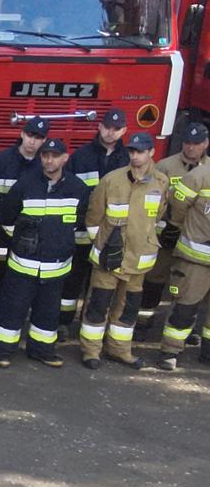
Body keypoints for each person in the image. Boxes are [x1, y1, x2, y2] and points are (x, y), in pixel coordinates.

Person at [0, 137, 88, 368]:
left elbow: (81, 222)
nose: (49, 160)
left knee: (47, 315)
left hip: (56, 266)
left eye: (55, 156)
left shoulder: (78, 189)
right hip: (23, 264)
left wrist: (60, 241)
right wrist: (20, 238)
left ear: (65, 158)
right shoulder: (25, 184)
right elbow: (5, 216)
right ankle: (2, 351)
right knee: (11, 311)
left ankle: (42, 351)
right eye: (45, 156)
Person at [77, 132, 166, 369]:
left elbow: (157, 219)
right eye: (132, 152)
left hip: (138, 261)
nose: (135, 156)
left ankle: (119, 350)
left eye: (140, 152)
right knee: (98, 306)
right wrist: (102, 246)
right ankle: (91, 351)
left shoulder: (160, 182)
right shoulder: (112, 180)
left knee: (127, 310)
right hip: (109, 259)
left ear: (151, 153)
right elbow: (93, 218)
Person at [0, 117, 49, 328]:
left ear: (44, 140)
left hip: (28, 234)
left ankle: (5, 321)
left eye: (39, 137)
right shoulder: (1, 161)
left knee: (16, 281)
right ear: (22, 134)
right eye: (30, 135)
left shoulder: (43, 166)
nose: (33, 141)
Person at [67, 110, 131, 330]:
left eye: (116, 129)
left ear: (124, 130)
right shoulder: (81, 155)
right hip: (82, 228)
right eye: (107, 127)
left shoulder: (128, 158)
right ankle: (62, 323)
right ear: (99, 127)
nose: (110, 132)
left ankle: (90, 324)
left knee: (100, 284)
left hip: (112, 232)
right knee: (73, 279)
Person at [149, 122, 210, 333]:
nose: (191, 148)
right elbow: (154, 199)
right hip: (167, 235)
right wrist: (166, 228)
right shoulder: (165, 166)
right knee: (154, 280)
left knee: (187, 289)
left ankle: (187, 331)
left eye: (196, 144)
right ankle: (143, 322)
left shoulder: (208, 169)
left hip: (193, 240)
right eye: (187, 143)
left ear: (206, 144)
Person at [156, 149, 210, 369]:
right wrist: (179, 227)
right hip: (195, 259)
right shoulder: (200, 176)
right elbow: (178, 208)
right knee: (185, 307)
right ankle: (170, 351)